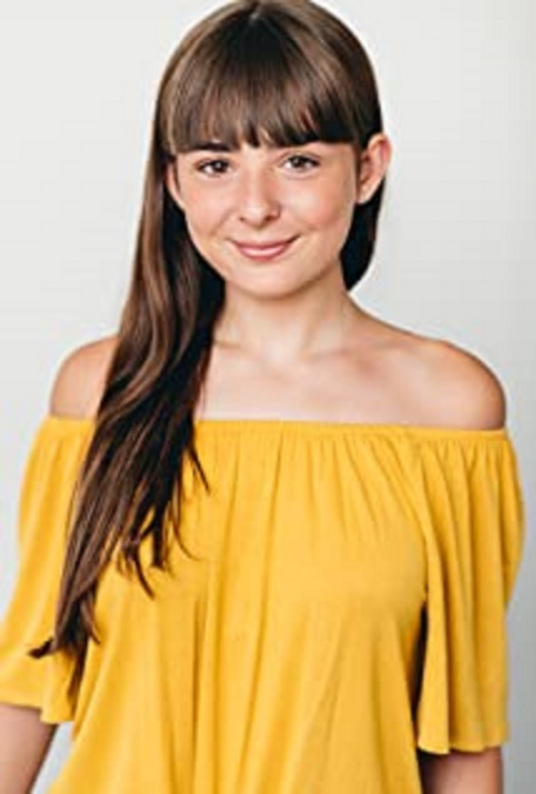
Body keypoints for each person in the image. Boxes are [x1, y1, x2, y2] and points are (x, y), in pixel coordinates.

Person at [0, 0, 526, 792]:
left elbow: (461, 739)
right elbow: (27, 685)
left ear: (369, 167)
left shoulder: (449, 409)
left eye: (298, 161)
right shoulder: (102, 393)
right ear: (174, 181)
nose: (255, 207)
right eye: (216, 165)